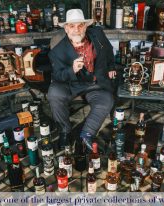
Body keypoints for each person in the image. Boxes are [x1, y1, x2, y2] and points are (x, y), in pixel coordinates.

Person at [47, 9, 116, 151]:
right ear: (66, 29)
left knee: (107, 99)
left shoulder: (97, 34)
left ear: (85, 26)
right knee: (54, 93)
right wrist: (71, 70)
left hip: (95, 82)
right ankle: (64, 131)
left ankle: (87, 134)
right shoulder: (57, 51)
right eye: (72, 26)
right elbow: (58, 76)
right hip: (72, 84)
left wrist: (111, 67)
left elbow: (109, 51)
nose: (76, 30)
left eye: (80, 26)